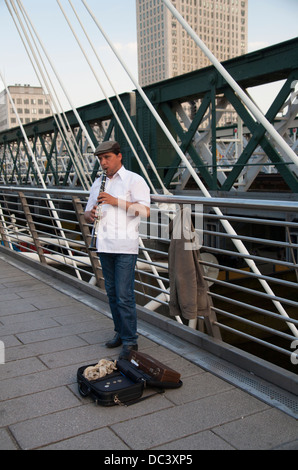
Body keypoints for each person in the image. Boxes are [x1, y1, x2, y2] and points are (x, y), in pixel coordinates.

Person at [84, 141, 150, 360]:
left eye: (107, 158)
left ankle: (131, 341)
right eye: (100, 159)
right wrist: (91, 214)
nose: (103, 163)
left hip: (124, 246)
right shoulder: (97, 183)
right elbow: (86, 213)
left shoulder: (134, 180)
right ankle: (120, 334)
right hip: (103, 244)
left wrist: (115, 201)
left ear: (119, 156)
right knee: (112, 294)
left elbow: (145, 211)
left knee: (124, 295)